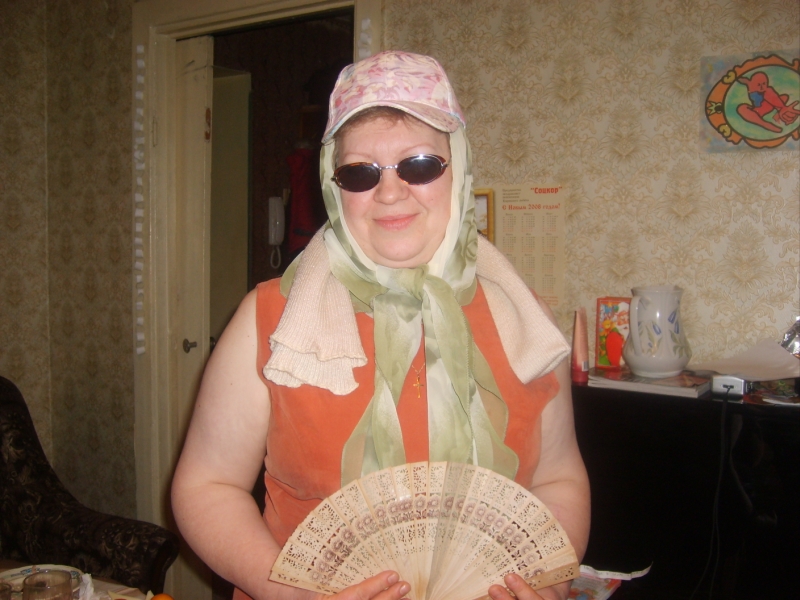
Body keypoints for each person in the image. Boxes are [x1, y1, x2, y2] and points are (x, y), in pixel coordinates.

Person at [171, 51, 590, 600]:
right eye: (360, 172)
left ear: (458, 169)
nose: (390, 192)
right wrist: (287, 592)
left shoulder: (525, 319)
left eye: (420, 164)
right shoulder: (268, 319)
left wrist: (549, 578)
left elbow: (559, 479)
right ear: (333, 185)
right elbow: (207, 486)